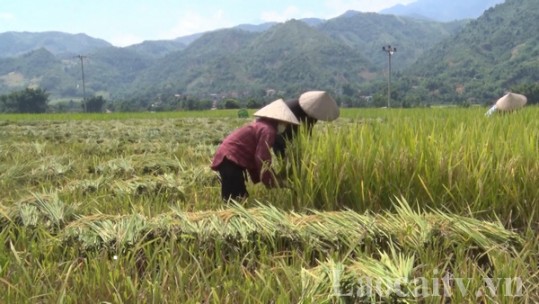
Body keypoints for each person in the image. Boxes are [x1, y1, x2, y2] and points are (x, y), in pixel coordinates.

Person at [211, 98, 300, 201]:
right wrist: (271, 180)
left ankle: (228, 214)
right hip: (230, 159)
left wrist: (269, 177)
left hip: (227, 158)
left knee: (233, 197)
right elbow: (262, 158)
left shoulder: (261, 125)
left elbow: (257, 158)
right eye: (285, 123)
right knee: (238, 198)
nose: (286, 126)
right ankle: (230, 216)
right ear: (279, 120)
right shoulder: (268, 130)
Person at [273, 90, 340, 157]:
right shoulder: (292, 109)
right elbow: (301, 131)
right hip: (281, 129)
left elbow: (308, 130)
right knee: (284, 154)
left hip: (288, 131)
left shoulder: (313, 114)